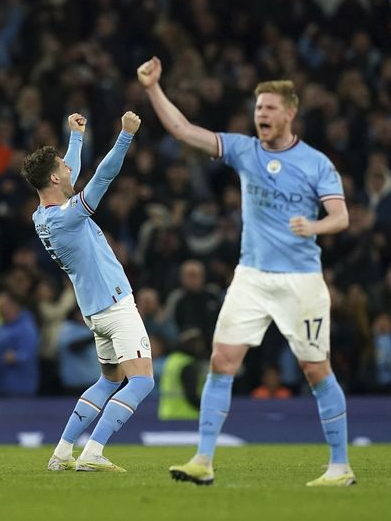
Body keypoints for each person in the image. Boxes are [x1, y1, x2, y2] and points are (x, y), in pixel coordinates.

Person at [137, 56, 354, 486]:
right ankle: (203, 460)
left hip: (301, 281)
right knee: (221, 360)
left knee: (316, 369)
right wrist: (152, 89)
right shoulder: (243, 149)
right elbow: (183, 130)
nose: (262, 115)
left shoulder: (316, 163)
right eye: (258, 109)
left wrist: (313, 225)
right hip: (251, 276)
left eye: (270, 109)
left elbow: (341, 216)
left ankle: (340, 466)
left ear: (290, 113)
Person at [21, 112, 155, 472]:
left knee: (109, 380)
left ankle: (62, 452)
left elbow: (72, 176)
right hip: (115, 305)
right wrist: (125, 135)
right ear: (53, 176)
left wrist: (76, 137)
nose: (69, 170)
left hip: (93, 312)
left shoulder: (42, 217)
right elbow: (103, 176)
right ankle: (93, 452)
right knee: (141, 381)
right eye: (63, 167)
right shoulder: (68, 216)